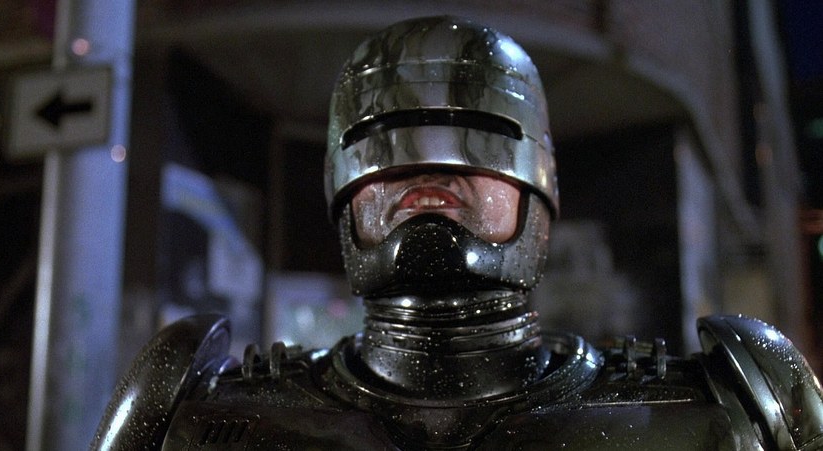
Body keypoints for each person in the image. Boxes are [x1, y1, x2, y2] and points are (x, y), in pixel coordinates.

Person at [92, 16, 823, 450]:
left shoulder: (724, 412)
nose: (428, 172)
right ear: (342, 188)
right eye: (386, 144)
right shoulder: (197, 412)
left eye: (477, 136)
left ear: (537, 183)